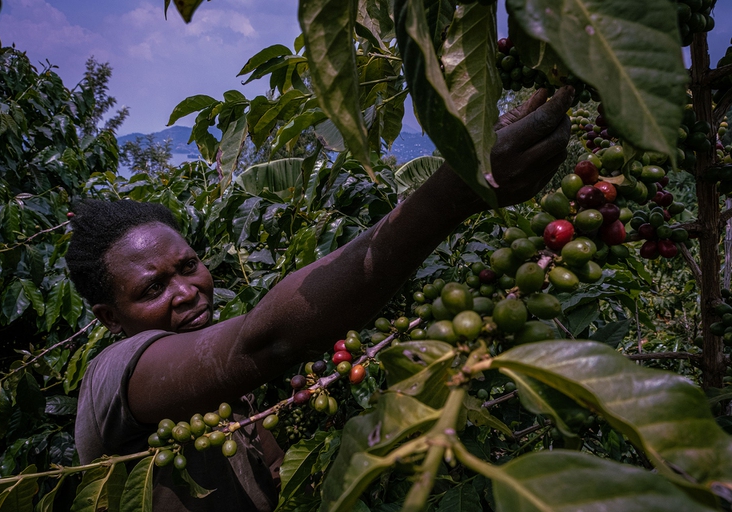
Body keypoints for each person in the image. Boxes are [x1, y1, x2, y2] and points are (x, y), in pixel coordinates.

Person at [68, 86, 574, 511]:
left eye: (189, 266)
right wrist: (455, 191)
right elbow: (266, 341)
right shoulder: (116, 376)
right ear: (109, 318)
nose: (186, 292)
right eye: (153, 289)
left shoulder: (210, 386)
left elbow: (257, 469)